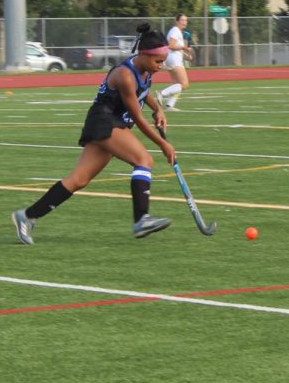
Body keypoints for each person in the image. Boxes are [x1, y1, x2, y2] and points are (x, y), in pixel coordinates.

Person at [11, 22, 176, 245]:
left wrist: (158, 109)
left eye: (163, 62)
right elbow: (137, 115)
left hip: (111, 123)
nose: (160, 66)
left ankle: (27, 216)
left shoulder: (145, 70)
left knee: (78, 180)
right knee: (144, 159)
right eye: (158, 61)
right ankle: (141, 219)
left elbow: (144, 92)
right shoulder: (125, 75)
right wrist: (163, 144)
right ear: (143, 54)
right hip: (105, 121)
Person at [157, 13, 193, 110]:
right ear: (177, 21)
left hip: (171, 59)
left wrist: (186, 55)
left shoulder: (177, 31)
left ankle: (170, 105)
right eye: (182, 20)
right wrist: (184, 47)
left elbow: (175, 48)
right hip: (174, 60)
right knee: (184, 84)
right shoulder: (175, 30)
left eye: (185, 20)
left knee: (177, 84)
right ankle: (162, 93)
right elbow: (171, 46)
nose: (184, 22)